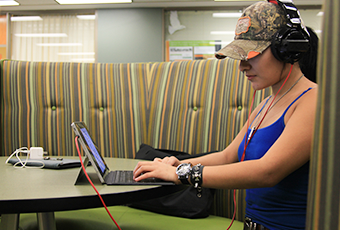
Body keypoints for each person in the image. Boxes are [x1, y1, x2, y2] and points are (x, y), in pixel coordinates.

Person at [133, 1, 319, 229]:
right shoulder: (266, 104)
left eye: (252, 54)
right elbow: (227, 156)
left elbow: (267, 171)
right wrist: (175, 165)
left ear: (288, 49)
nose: (242, 66)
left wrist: (180, 174)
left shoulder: (314, 100)